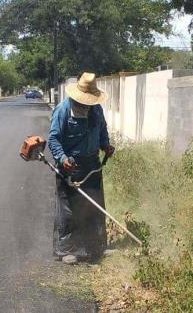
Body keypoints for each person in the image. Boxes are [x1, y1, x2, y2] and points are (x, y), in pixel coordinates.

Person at [48, 72, 115, 264]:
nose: (86, 104)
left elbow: (102, 131)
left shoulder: (96, 110)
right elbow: (53, 138)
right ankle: (67, 250)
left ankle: (96, 248)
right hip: (70, 166)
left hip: (92, 165)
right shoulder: (63, 110)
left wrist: (105, 145)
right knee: (69, 209)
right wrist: (62, 158)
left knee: (95, 206)